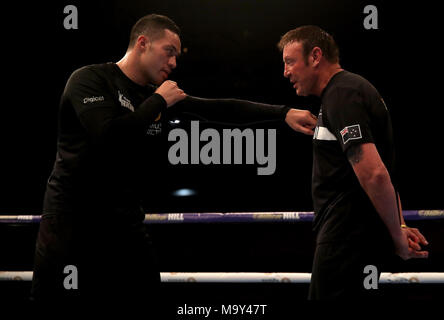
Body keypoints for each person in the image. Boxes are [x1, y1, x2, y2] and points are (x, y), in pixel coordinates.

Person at [31, 14, 317, 307]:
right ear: (143, 43)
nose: (174, 63)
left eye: (177, 56)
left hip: (124, 221)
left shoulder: (153, 94)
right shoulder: (90, 80)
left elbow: (222, 110)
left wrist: (283, 113)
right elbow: (109, 136)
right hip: (73, 221)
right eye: (169, 51)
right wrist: (158, 102)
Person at [277, 25, 429, 300]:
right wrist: (400, 226)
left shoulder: (343, 94)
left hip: (347, 238)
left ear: (315, 56)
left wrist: (397, 236)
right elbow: (381, 171)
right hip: (353, 236)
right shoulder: (346, 92)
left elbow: (374, 174)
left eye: (290, 61)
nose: (286, 72)